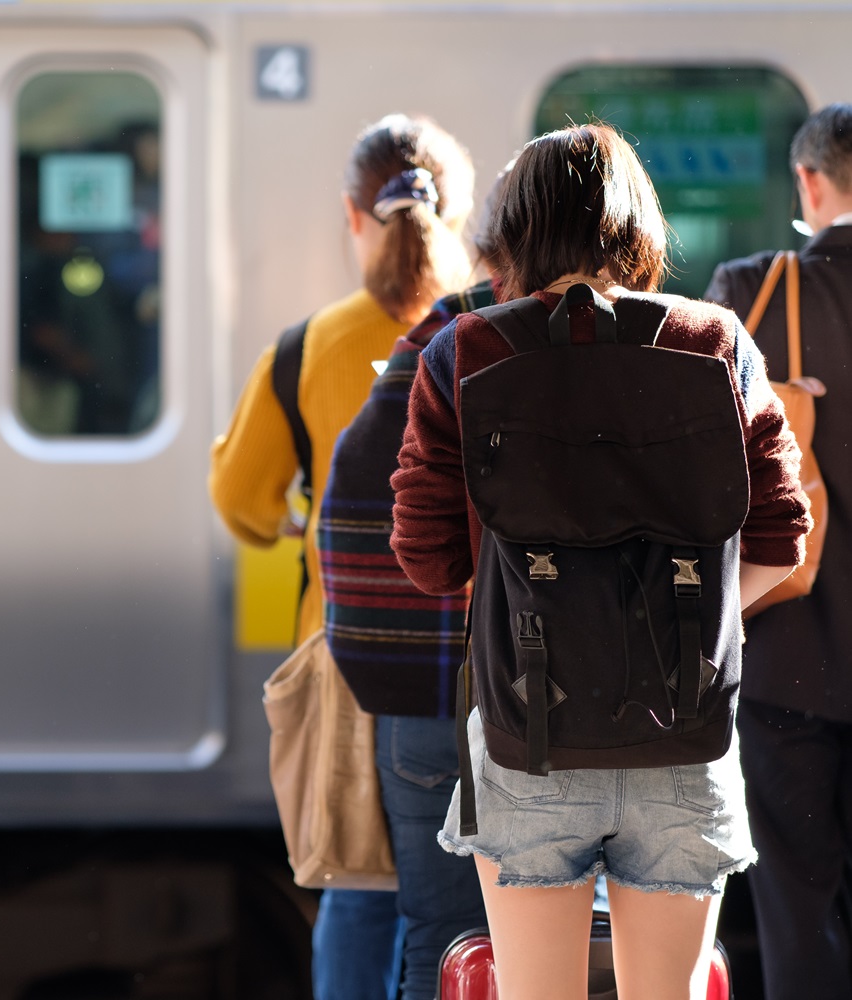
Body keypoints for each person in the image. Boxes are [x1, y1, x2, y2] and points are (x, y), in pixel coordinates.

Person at [390, 123, 810, 1000]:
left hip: (526, 735)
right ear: (641, 227)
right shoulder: (716, 342)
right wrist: (691, 622)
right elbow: (782, 538)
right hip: (684, 733)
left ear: (519, 230)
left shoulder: (465, 351)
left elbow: (429, 562)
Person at [210, 113, 474, 1000]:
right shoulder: (493, 330)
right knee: (471, 905)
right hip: (483, 662)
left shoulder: (308, 349)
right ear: (464, 214)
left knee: (360, 893)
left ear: (352, 218)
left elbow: (240, 501)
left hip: (350, 658)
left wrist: (301, 519)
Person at [316, 169, 509, 1000]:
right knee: (593, 935)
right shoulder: (658, 340)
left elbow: (353, 515)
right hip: (606, 705)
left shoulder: (442, 337)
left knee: (440, 933)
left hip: (433, 702)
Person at [703, 102, 852, 1000]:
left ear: (809, 181)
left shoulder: (755, 292)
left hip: (786, 657)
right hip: (789, 668)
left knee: (796, 903)